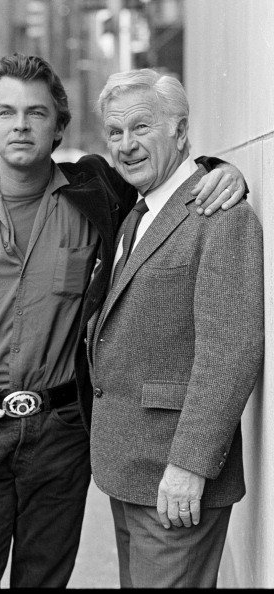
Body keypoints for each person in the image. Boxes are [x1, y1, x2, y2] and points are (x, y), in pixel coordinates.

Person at [0, 52, 247, 589]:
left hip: (61, 434)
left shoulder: (97, 192)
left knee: (44, 581)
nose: (21, 125)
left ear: (60, 126)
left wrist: (224, 173)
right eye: (7, 112)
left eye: (37, 113)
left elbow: (165, 182)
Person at [87, 68, 264, 588]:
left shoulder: (221, 215)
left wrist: (190, 466)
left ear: (180, 132)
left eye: (141, 128)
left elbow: (230, 350)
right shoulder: (135, 215)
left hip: (176, 482)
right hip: (131, 473)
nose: (126, 145)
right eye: (115, 132)